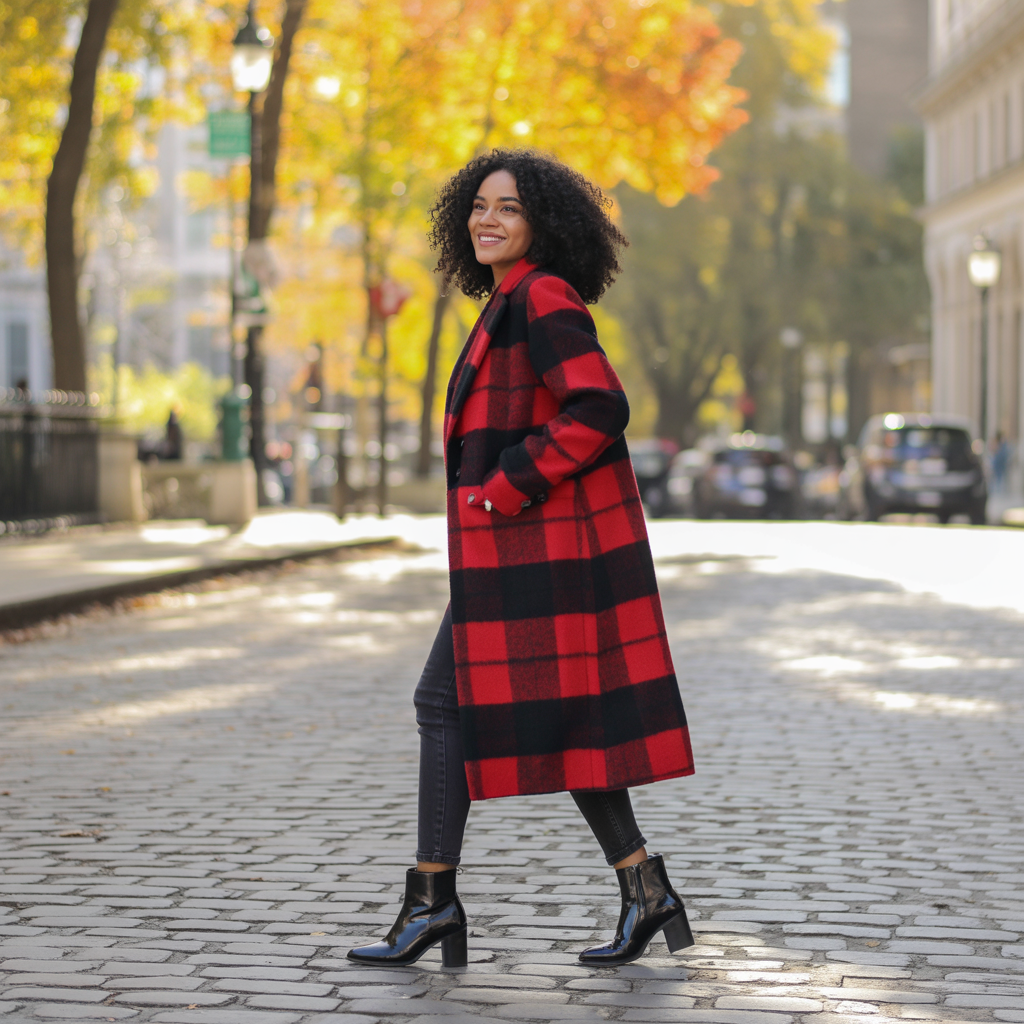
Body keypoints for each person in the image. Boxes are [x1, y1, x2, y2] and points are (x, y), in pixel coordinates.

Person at [347, 150, 696, 970]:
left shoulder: (540, 295)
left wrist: (510, 483)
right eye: (477, 206)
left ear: (542, 222)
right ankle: (643, 888)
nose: (487, 219)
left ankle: (434, 901)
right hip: (518, 559)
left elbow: (601, 403)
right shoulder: (506, 301)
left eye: (507, 207)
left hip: (532, 552)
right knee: (564, 721)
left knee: (441, 700)